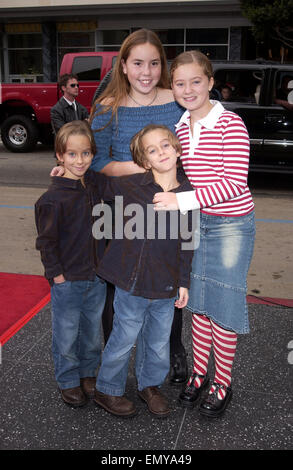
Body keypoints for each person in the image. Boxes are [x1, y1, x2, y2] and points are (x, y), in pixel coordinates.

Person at [153, 50, 256, 417]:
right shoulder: (180, 127)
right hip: (197, 224)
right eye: (180, 83)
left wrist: (180, 203)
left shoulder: (231, 124)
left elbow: (233, 183)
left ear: (211, 83)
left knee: (222, 308)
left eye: (196, 81)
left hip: (230, 226)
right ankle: (199, 374)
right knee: (197, 305)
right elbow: (167, 171)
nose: (188, 89)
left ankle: (221, 381)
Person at [89, 28, 188, 384]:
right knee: (116, 286)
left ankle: (174, 350)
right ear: (123, 66)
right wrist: (144, 164)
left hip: (166, 209)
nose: (146, 72)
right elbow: (97, 162)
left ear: (163, 65)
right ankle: (113, 363)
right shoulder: (107, 108)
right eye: (137, 63)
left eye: (154, 63)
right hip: (118, 211)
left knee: (168, 281)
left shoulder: (178, 102)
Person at [86, 124, 195, 417]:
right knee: (123, 338)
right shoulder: (132, 185)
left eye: (165, 145)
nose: (161, 152)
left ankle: (150, 386)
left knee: (158, 343)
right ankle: (107, 389)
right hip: (130, 284)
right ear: (144, 160)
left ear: (177, 149)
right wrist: (68, 172)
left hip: (165, 285)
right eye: (152, 149)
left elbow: (188, 243)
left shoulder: (188, 196)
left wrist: (183, 282)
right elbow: (95, 183)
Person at [35, 120, 107, 408]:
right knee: (66, 334)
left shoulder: (94, 185)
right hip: (68, 281)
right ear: (59, 156)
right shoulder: (51, 200)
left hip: (96, 277)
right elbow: (46, 243)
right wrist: (57, 277)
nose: (80, 160)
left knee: (91, 332)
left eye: (86, 153)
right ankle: (67, 380)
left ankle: (88, 373)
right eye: (72, 154)